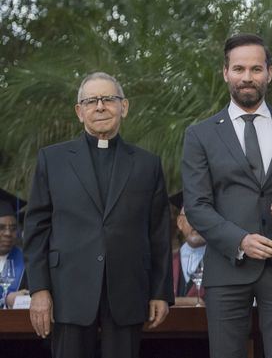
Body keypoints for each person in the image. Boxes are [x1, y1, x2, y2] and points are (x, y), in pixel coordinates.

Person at [182, 33, 272, 358]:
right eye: (239, 68)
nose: (248, 77)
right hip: (227, 266)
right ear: (225, 72)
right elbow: (197, 206)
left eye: (256, 69)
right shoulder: (200, 135)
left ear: (269, 73)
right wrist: (240, 240)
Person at [24, 72, 174, 358]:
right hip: (68, 291)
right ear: (79, 112)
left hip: (128, 292)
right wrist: (39, 290)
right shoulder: (52, 159)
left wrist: (160, 292)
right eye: (91, 101)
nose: (100, 106)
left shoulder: (147, 164)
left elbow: (159, 233)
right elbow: (35, 229)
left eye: (109, 99)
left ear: (124, 107)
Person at [169, 191, 206, 306]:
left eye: (202, 217)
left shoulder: (222, 263)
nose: (196, 223)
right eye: (190, 216)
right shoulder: (166, 263)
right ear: (180, 222)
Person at [0, 189, 28, 307]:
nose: (8, 233)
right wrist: (5, 300)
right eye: (1, 227)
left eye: (13, 228)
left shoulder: (27, 262)